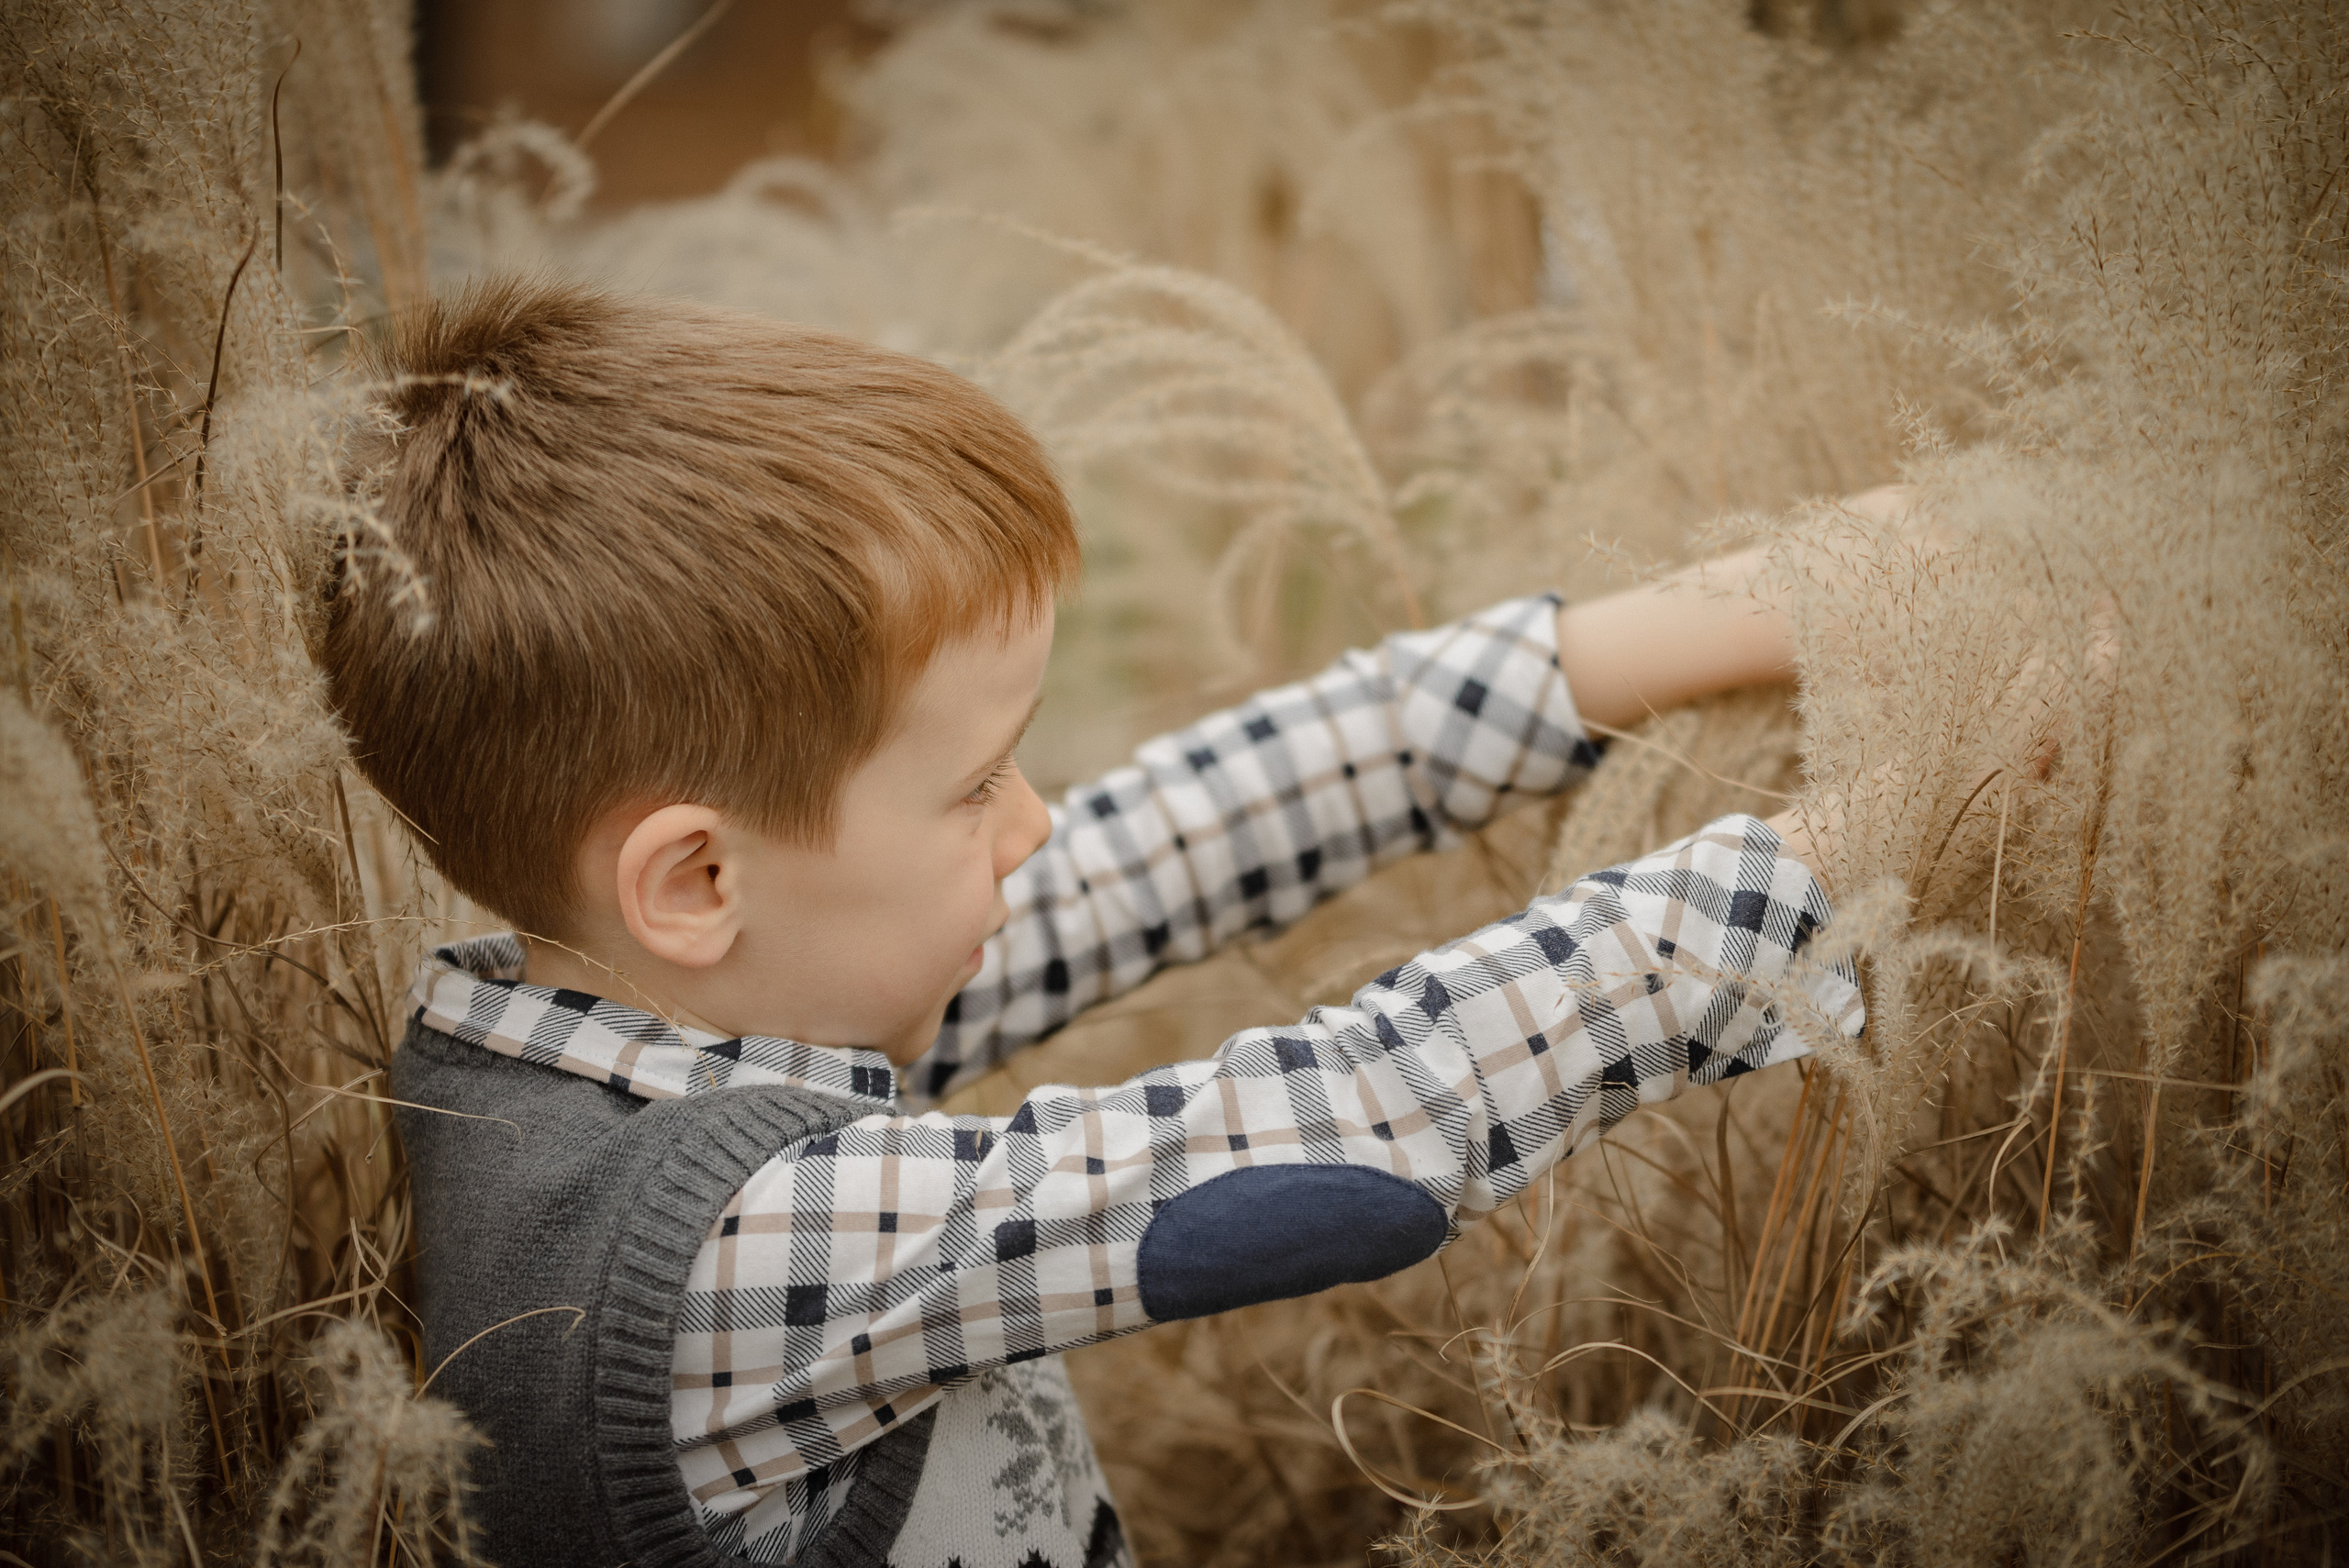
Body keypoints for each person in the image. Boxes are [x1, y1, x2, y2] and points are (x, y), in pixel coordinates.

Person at [327, 277, 1864, 1568]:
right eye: (975, 784)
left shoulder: (661, 1007)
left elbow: (1195, 832)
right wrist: (1850, 849)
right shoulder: (715, 1263)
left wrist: (1748, 608)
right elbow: (1356, 1138)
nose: (1035, 825)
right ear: (697, 881)